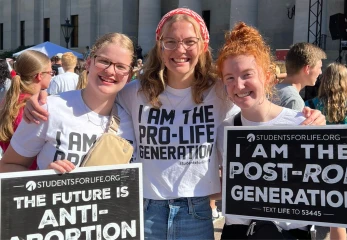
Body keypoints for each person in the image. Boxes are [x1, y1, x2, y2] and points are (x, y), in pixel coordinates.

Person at [22, 8, 325, 239]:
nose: (180, 50)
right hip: (142, 210)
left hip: (197, 214)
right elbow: (95, 97)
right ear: (160, 46)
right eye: (171, 41)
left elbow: (260, 107)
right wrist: (42, 99)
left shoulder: (221, 90)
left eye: (189, 41)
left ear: (203, 45)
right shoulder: (134, 92)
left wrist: (306, 119)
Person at [216, 22, 345, 240]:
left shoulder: (303, 124)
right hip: (238, 234)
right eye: (230, 78)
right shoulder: (225, 129)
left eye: (247, 74)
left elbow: (332, 197)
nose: (238, 85)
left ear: (267, 77)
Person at [0, 33, 136, 173]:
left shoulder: (134, 119)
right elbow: (7, 166)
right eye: (104, 61)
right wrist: (42, 179)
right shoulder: (48, 110)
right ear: (88, 63)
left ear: (129, 75)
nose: (110, 71)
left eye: (121, 66)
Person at [0, 50, 53, 170]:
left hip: (10, 175)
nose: (52, 76)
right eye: (51, 72)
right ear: (40, 76)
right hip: (32, 178)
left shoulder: (9, 101)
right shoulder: (36, 108)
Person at [274, 42, 326, 111]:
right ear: (307, 69)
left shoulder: (272, 90)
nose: (320, 72)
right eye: (319, 67)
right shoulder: (293, 101)